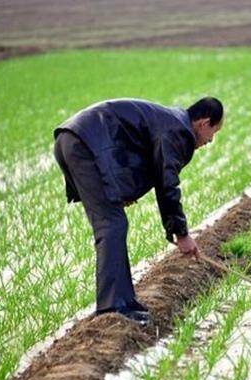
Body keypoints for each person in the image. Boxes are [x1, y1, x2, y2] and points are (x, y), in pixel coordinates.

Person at [53, 97, 224, 326]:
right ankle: (113, 306)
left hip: (74, 139)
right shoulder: (179, 132)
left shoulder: (171, 122)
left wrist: (122, 190)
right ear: (203, 123)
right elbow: (167, 184)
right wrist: (182, 234)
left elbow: (140, 159)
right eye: (214, 131)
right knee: (112, 224)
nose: (211, 140)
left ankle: (124, 302)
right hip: (84, 143)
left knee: (114, 222)